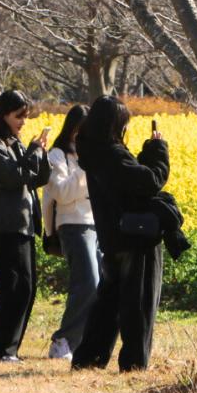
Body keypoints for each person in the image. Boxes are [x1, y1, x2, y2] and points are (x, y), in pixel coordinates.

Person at [71, 97, 171, 372]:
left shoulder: (93, 152)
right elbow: (149, 182)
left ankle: (89, 357)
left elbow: (129, 181)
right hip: (135, 236)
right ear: (114, 124)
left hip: (113, 236)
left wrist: (145, 156)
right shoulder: (112, 154)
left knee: (109, 301)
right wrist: (158, 150)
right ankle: (134, 363)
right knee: (138, 302)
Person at [0, 90, 51, 362]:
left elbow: (36, 178)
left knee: (27, 287)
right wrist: (32, 151)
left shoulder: (16, 143)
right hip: (6, 225)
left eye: (26, 116)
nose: (23, 121)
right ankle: (0, 349)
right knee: (12, 287)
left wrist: (40, 153)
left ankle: (10, 349)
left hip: (25, 223)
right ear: (4, 114)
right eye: (18, 116)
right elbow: (12, 178)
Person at [44, 105, 98, 361]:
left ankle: (82, 342)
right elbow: (62, 193)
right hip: (73, 225)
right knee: (88, 282)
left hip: (96, 226)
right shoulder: (57, 156)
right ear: (74, 129)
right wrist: (85, 168)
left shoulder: (90, 156)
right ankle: (62, 341)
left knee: (100, 285)